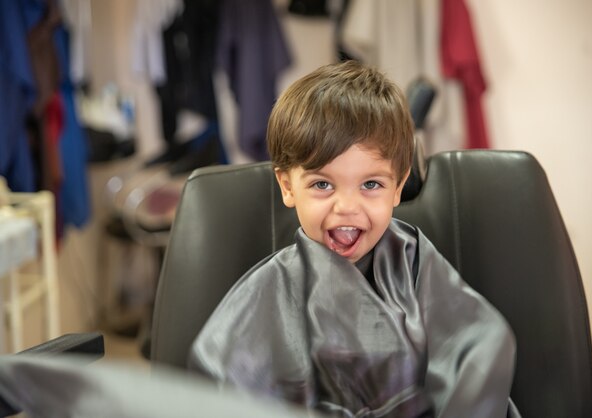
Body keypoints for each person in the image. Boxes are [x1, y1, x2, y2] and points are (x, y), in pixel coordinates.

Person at [188, 61, 521, 418]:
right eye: (322, 184)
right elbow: (220, 379)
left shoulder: (414, 261)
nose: (347, 207)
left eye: (371, 185)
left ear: (397, 186)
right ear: (287, 186)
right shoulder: (268, 289)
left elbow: (481, 346)